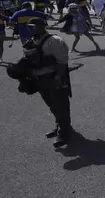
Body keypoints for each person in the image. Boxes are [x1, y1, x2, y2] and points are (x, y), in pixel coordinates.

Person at [25, 18, 73, 147]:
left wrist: (58, 79)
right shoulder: (32, 41)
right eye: (29, 27)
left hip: (54, 79)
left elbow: (62, 62)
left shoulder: (54, 41)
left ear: (42, 26)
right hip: (40, 81)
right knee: (52, 105)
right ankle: (60, 125)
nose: (30, 29)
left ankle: (65, 132)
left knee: (61, 105)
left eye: (33, 26)